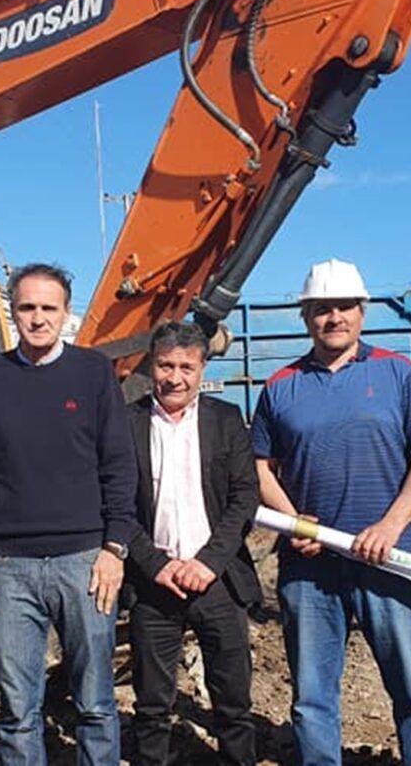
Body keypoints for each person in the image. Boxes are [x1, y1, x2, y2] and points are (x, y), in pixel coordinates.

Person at [253, 258, 411, 766]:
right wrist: (295, 520)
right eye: (321, 309)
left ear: (362, 312)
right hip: (309, 566)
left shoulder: (398, 373)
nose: (333, 317)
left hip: (392, 557)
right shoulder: (280, 386)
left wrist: (390, 526)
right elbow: (258, 468)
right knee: (313, 695)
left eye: (344, 307)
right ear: (305, 317)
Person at [0, 262, 137, 766]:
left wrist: (115, 547)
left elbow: (119, 465)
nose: (37, 318)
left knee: (96, 704)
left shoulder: (94, 372)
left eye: (47, 308)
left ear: (65, 313)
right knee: (18, 709)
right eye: (27, 307)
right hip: (8, 567)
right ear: (12, 313)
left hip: (85, 561)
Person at [124, 322, 260, 766]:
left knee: (233, 699)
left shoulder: (226, 421)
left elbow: (244, 498)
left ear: (202, 368)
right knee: (151, 704)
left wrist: (208, 562)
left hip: (217, 581)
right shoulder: (128, 423)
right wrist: (154, 563)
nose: (175, 377)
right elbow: (116, 504)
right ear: (151, 365)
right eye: (166, 365)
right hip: (154, 582)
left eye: (187, 366)